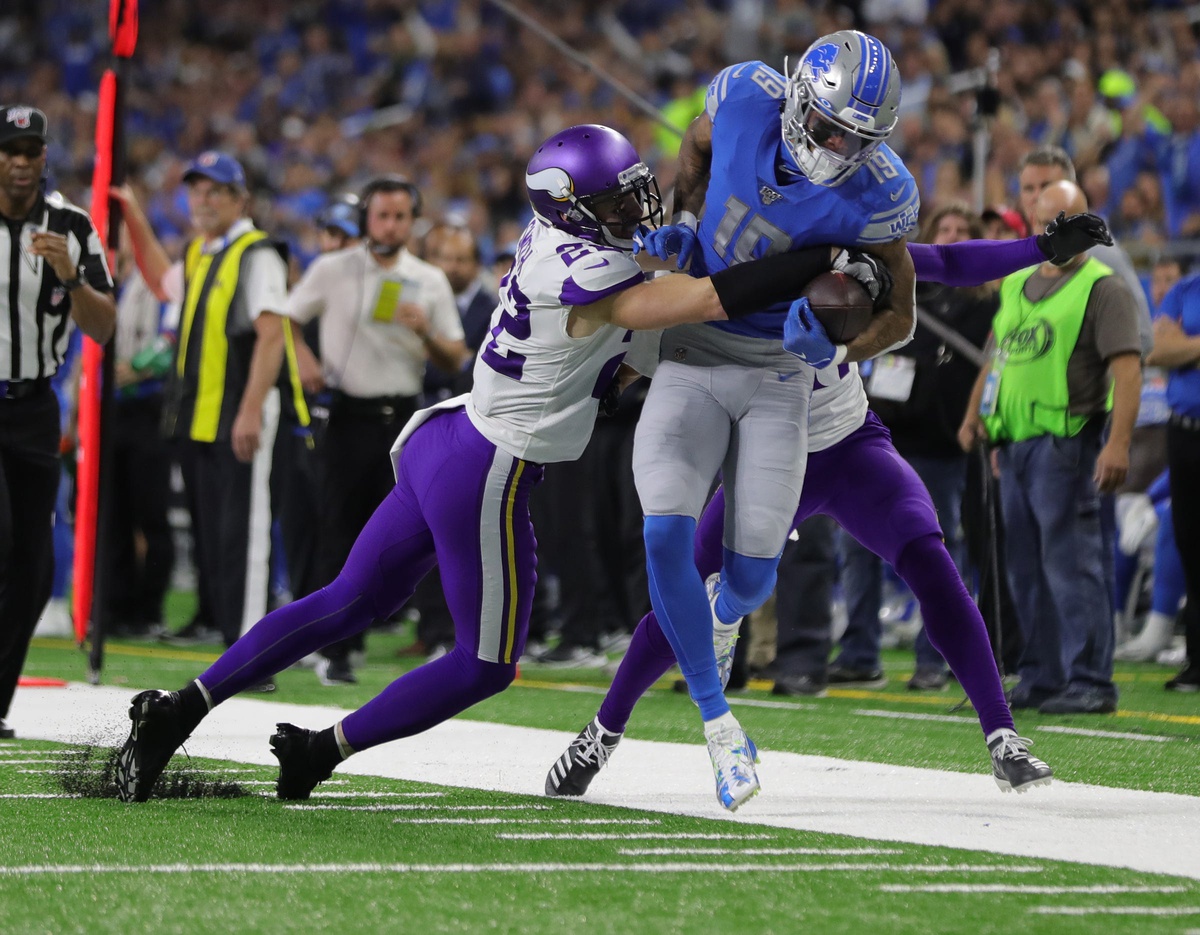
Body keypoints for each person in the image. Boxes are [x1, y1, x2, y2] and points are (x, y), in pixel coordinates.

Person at [112, 123, 879, 803]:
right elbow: (706, 300)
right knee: (486, 664)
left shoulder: (559, 239)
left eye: (632, 194)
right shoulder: (590, 271)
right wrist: (814, 256)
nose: (632, 211)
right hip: (489, 467)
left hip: (448, 441)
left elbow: (634, 334)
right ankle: (320, 752)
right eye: (613, 202)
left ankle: (180, 708)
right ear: (572, 209)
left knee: (349, 598)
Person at [545, 206, 1111, 799]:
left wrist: (1040, 248)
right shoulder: (716, 265)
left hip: (847, 444)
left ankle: (1002, 735)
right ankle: (603, 732)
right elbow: (652, 327)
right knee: (682, 593)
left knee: (931, 561)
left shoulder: (832, 246)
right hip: (764, 460)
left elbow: (941, 261)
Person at [630, 31, 920, 811]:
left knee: (753, 577)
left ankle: (725, 614)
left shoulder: (882, 192)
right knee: (663, 531)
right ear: (797, 98)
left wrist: (839, 348)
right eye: (828, 128)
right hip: (694, 342)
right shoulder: (743, 96)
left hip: (778, 367)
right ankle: (718, 723)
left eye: (856, 139)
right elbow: (695, 146)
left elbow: (901, 315)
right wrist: (684, 217)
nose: (837, 149)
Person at [960, 181, 1142, 714]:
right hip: (1014, 444)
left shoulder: (1103, 287)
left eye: (1068, 220)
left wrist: (1119, 444)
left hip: (1067, 441)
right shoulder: (1017, 282)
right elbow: (998, 357)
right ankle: (1042, 674)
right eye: (1047, 221)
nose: (1057, 231)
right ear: (1034, 223)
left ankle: (1090, 679)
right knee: (1024, 566)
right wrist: (977, 416)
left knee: (1071, 563)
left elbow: (1128, 370)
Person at [285, 176, 468, 686]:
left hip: (405, 419)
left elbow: (455, 356)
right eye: (381, 215)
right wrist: (303, 359)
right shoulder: (333, 268)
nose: (389, 226)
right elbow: (287, 318)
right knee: (338, 531)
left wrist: (425, 332)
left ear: (414, 221)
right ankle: (337, 650)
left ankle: (420, 631)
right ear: (366, 218)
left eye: (399, 216)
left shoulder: (428, 278)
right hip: (346, 416)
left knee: (409, 533)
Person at [112, 153, 291, 669]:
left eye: (216, 191)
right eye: (196, 190)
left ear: (240, 199)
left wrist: (251, 409)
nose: (204, 200)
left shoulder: (257, 254)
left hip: (239, 416)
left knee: (243, 540)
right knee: (215, 540)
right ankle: (231, 648)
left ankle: (253, 656)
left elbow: (271, 335)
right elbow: (160, 280)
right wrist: (132, 215)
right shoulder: (199, 252)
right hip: (200, 420)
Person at [0, 105, 116, 739]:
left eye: (31, 151)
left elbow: (104, 327)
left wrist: (70, 276)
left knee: (34, 566)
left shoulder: (71, 225)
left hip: (35, 406)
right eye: (9, 151)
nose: (21, 163)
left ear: (44, 156)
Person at [1145, 268, 1200, 691]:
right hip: (1184, 433)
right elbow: (1157, 350)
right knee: (1191, 544)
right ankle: (1197, 661)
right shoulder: (1186, 288)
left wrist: (1188, 344)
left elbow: (1174, 347)